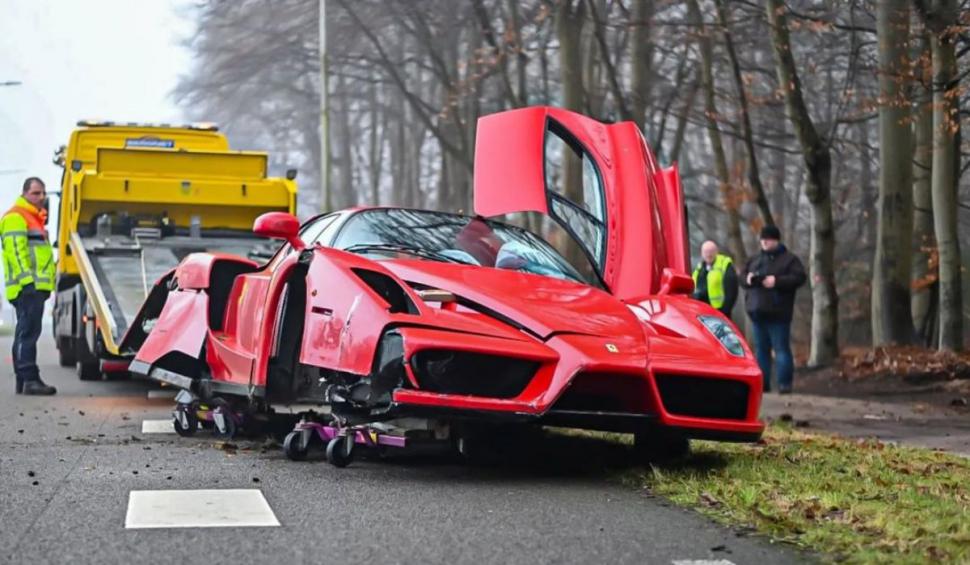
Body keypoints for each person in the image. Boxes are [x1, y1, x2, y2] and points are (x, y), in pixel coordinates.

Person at [2, 177, 57, 395]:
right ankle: (30, 379)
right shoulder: (17, 216)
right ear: (24, 193)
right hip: (27, 288)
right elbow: (17, 254)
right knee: (28, 334)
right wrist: (27, 283)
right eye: (36, 193)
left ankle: (23, 380)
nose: (41, 197)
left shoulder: (34, 218)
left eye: (43, 193)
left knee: (24, 332)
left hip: (32, 288)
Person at [741, 225, 806, 394]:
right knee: (761, 351)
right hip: (757, 312)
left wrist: (776, 281)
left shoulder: (789, 259)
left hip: (779, 313)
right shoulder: (754, 259)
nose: (764, 242)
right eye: (762, 240)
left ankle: (785, 384)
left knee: (781, 349)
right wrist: (748, 279)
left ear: (776, 240)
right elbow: (741, 276)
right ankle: (763, 386)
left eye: (767, 240)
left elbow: (799, 278)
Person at [691, 240, 738, 317]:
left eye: (711, 251)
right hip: (701, 311)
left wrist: (725, 311)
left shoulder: (724, 264)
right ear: (702, 254)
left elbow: (732, 290)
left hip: (720, 311)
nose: (708, 254)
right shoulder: (699, 268)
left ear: (716, 252)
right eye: (706, 252)